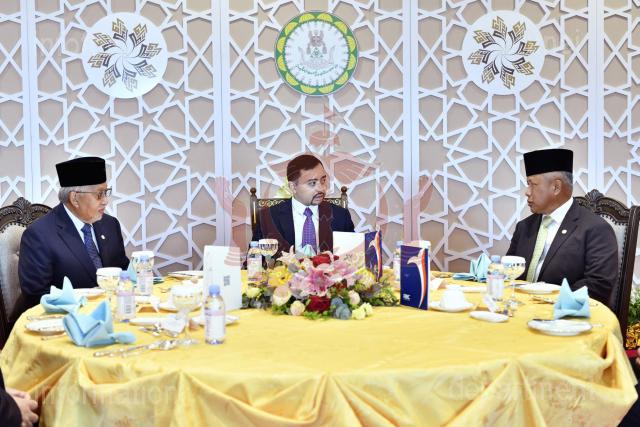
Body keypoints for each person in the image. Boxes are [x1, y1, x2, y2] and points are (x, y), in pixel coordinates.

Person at [506, 148, 618, 305]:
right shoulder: (524, 227)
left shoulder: (596, 229)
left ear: (556, 187)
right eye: (527, 184)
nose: (527, 192)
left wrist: (545, 302)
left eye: (532, 184)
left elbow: (598, 286)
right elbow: (508, 272)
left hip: (565, 314)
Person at [18, 157, 129, 309]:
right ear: (75, 198)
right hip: (67, 317)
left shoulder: (110, 224)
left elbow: (124, 272)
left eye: (106, 192)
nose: (105, 201)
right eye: (99, 194)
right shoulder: (39, 235)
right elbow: (36, 295)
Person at [252, 154, 355, 255]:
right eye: (312, 183)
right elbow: (254, 260)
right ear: (293, 187)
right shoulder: (267, 218)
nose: (321, 188)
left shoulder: (341, 215)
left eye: (323, 180)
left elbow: (353, 257)